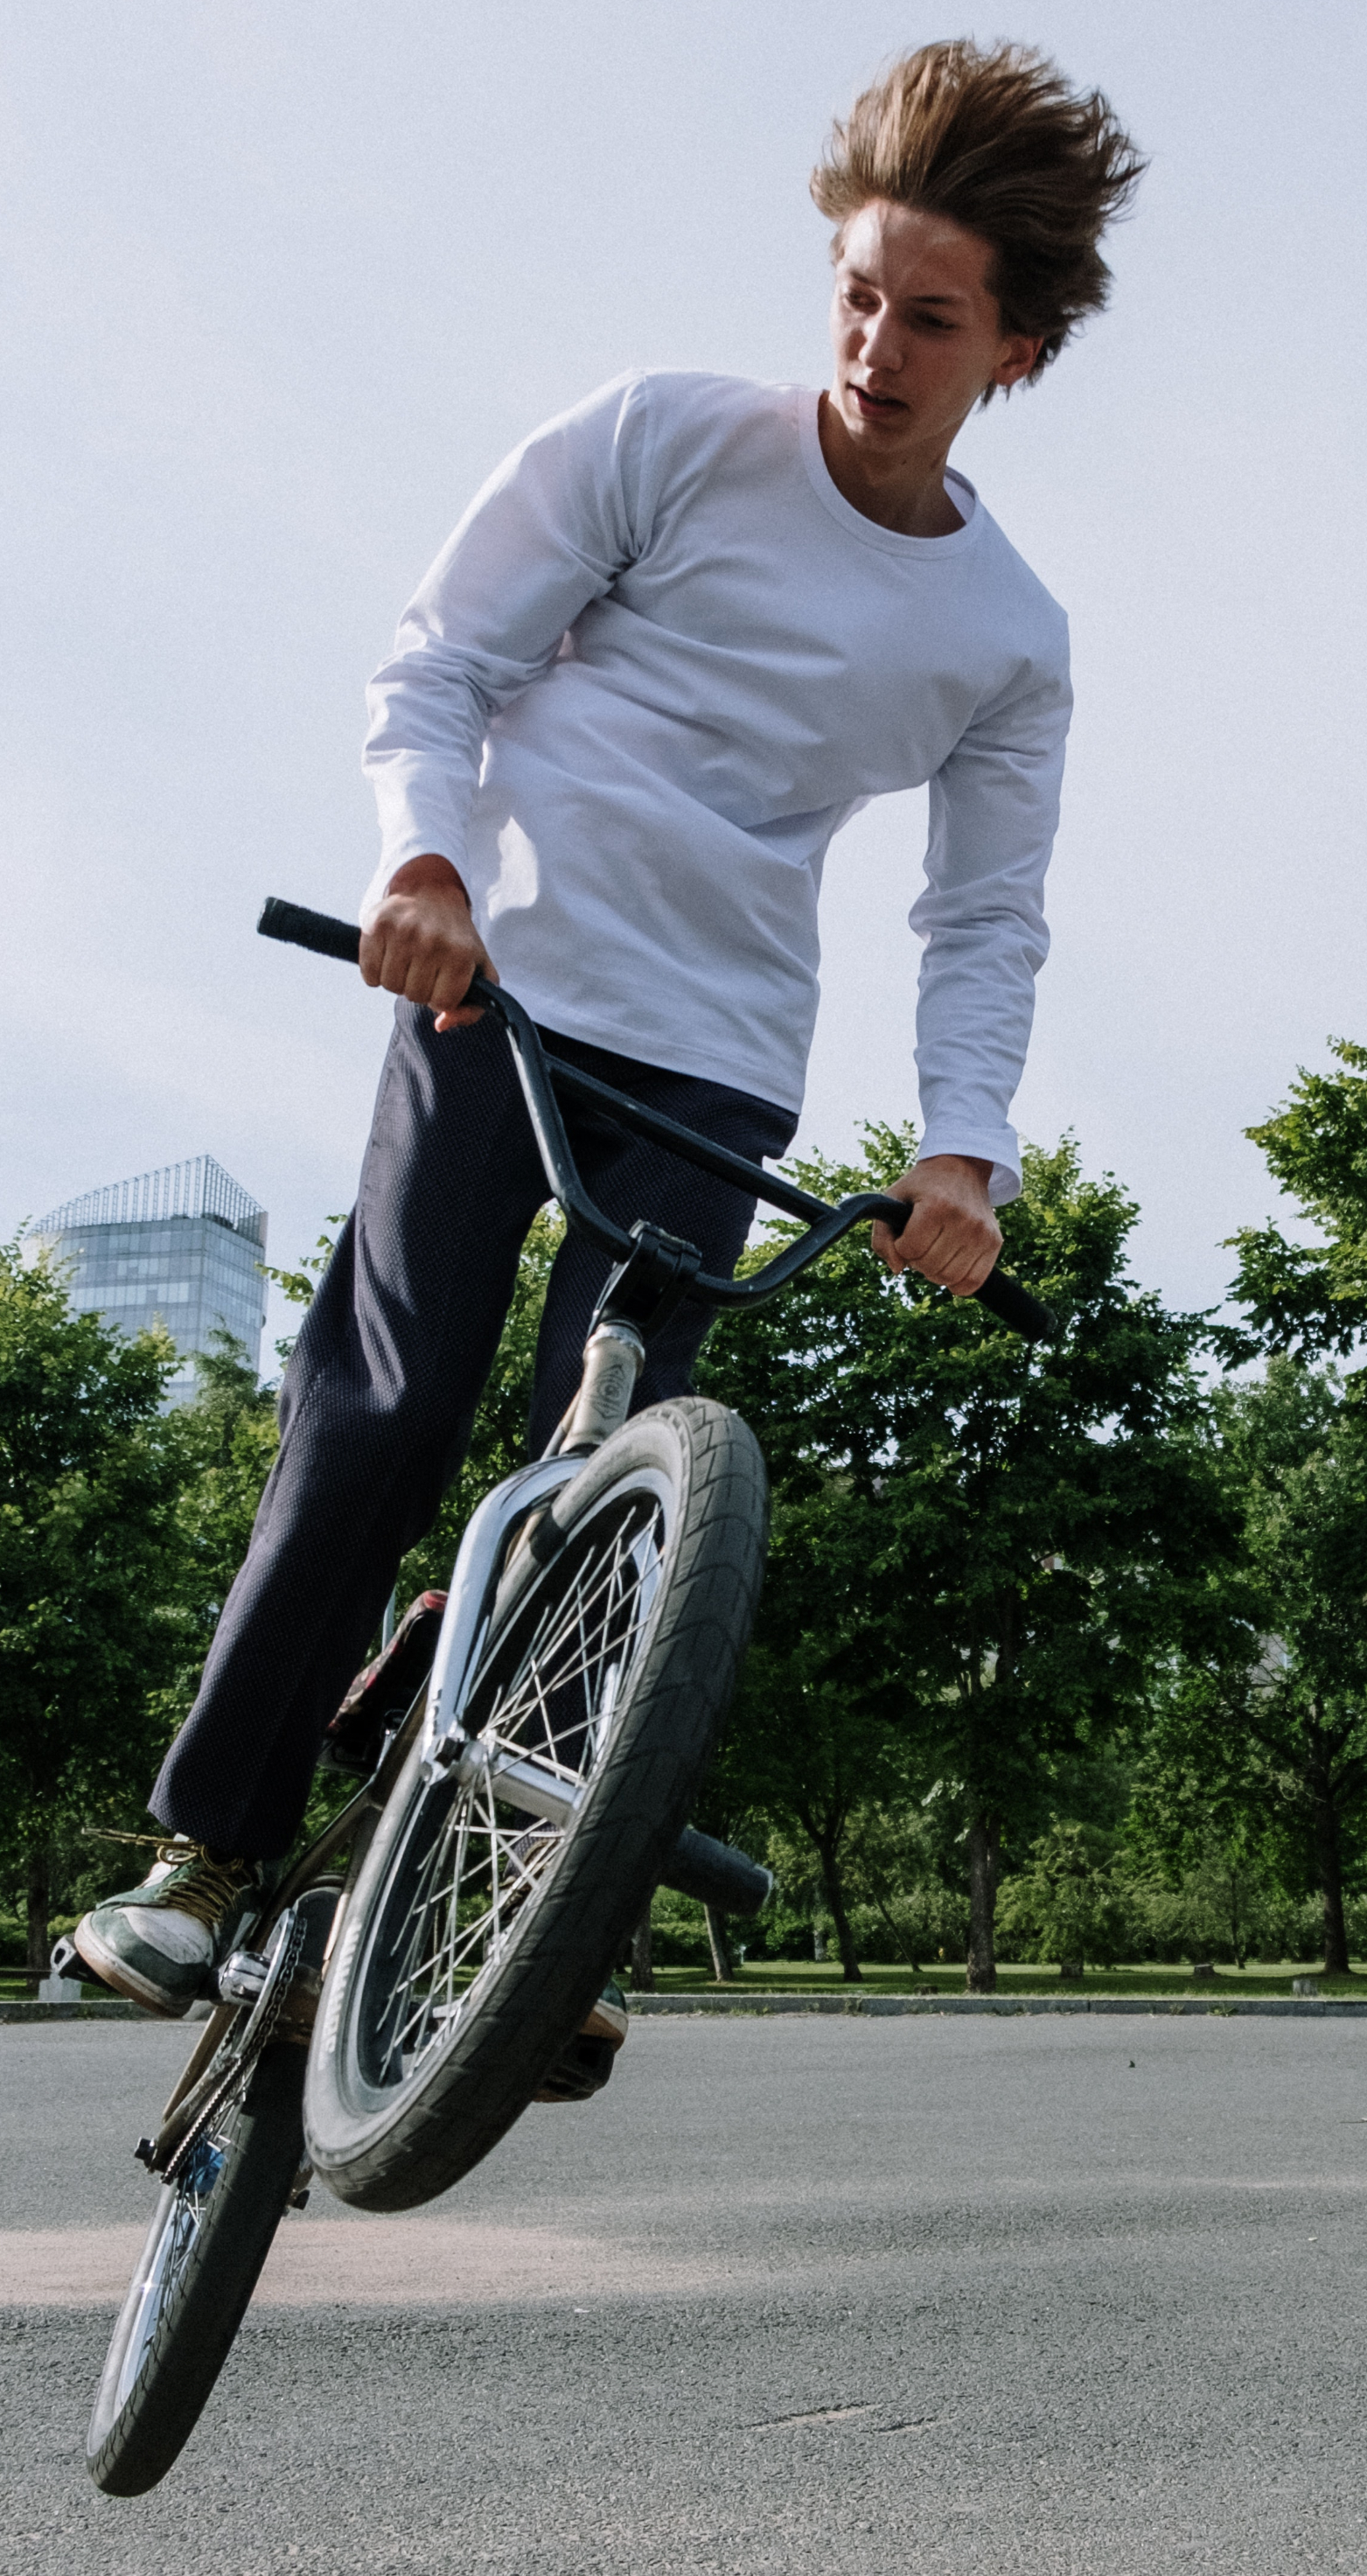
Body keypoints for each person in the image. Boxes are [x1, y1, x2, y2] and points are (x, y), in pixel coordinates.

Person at [77, 38, 1144, 2017]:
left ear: (1012, 352)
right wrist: (421, 869)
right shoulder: (663, 433)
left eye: (926, 319)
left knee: (603, 1489)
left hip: (719, 1057)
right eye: (851, 295)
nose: (869, 348)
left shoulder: (1006, 636)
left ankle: (523, 1921)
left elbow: (981, 912)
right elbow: (442, 658)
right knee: (391, 1403)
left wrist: (960, 1147)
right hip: (502, 989)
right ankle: (203, 1858)